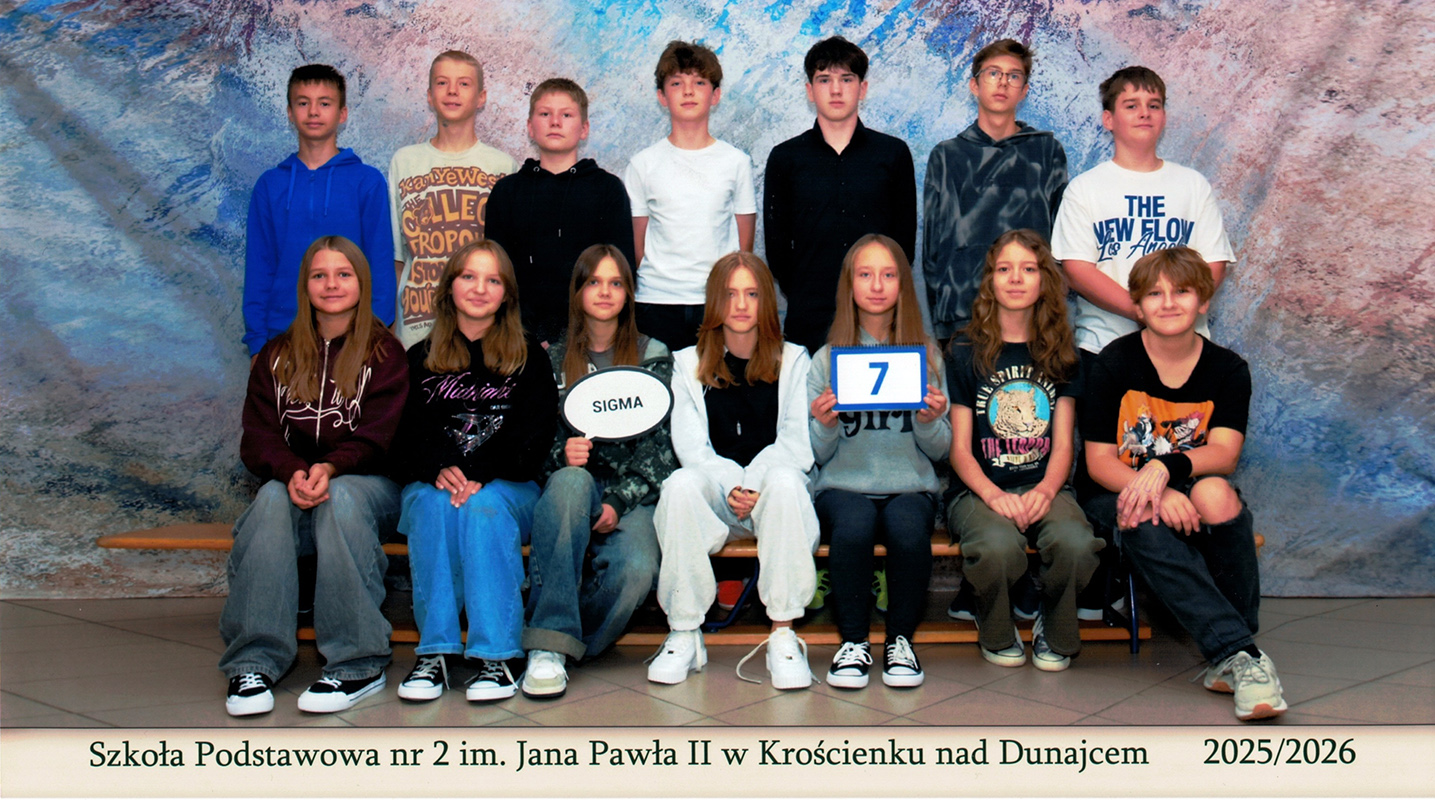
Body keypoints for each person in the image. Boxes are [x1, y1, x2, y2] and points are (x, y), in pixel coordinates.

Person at [1080, 246, 1283, 720]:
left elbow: (1224, 454)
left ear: (1204, 301)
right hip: (1117, 488)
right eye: (1154, 294)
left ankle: (1233, 651)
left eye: (1182, 292)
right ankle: (1240, 653)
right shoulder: (1114, 363)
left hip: (1184, 482)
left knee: (1216, 493)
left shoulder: (1228, 369)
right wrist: (1156, 489)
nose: (1168, 303)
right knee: (1142, 513)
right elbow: (1098, 462)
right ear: (1137, 305)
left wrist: (1166, 471)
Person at [221, 236, 407, 716]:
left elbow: (381, 437)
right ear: (304, 285)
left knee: (341, 497)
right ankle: (254, 662)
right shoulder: (276, 355)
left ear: (362, 283)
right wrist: (292, 472)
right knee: (268, 498)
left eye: (343, 274)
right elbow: (257, 439)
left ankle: (357, 662)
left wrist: (329, 467)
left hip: (371, 491)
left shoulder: (386, 354)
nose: (331, 284)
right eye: (319, 275)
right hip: (296, 486)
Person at [391, 240, 558, 703]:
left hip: (510, 486)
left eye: (492, 280)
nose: (480, 288)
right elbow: (405, 438)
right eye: (468, 276)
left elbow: (535, 437)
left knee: (483, 508)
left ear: (507, 294)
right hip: (436, 483)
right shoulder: (419, 357)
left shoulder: (529, 357)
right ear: (449, 287)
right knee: (432, 507)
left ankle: (497, 656)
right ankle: (436, 652)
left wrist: (479, 471)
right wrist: (437, 467)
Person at [648, 252, 818, 689]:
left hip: (774, 499)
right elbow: (691, 447)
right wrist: (732, 484)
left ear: (767, 302)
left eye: (752, 294)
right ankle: (684, 632)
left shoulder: (794, 359)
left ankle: (783, 634)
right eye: (730, 294)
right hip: (716, 500)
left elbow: (796, 443)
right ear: (713, 302)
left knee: (785, 480)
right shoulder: (686, 363)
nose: (741, 305)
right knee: (679, 485)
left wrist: (753, 482)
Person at [520, 245, 678, 698]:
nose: (605, 292)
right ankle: (548, 645)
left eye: (615, 283)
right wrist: (561, 455)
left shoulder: (653, 354)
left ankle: (559, 644)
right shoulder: (551, 358)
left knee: (637, 570)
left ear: (628, 293)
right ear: (577, 291)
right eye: (593, 282)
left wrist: (618, 501)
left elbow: (663, 447)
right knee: (571, 481)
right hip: (570, 490)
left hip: (632, 496)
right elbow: (535, 439)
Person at [947, 230, 1102, 672]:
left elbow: (1064, 443)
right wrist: (993, 495)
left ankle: (1055, 625)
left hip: (1044, 483)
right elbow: (960, 449)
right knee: (996, 546)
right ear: (990, 281)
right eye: (1004, 269)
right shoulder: (964, 349)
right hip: (979, 489)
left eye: (1028, 269)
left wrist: (1047, 491)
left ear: (1044, 280)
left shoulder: (1063, 352)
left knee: (1076, 543)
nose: (1015, 278)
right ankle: (994, 624)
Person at [807, 235, 948, 689]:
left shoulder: (927, 355)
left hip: (910, 485)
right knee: (853, 526)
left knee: (908, 530)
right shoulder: (826, 359)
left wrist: (929, 421)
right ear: (849, 285)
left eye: (888, 275)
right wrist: (825, 424)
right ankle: (853, 642)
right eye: (865, 275)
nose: (877, 285)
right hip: (843, 486)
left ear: (904, 284)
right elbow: (816, 455)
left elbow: (942, 450)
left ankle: (900, 641)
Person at [1051, 66, 1234, 360]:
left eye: (1154, 105)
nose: (1144, 113)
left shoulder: (1193, 185)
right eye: (1131, 106)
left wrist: (1173, 314)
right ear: (1108, 119)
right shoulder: (1084, 189)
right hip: (1105, 347)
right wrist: (1142, 310)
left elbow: (1214, 262)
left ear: (1164, 117)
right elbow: (1077, 270)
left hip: (1184, 348)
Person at [763, 36, 916, 354]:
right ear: (809, 90)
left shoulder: (893, 154)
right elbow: (777, 249)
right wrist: (806, 290)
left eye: (847, 79)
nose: (836, 90)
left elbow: (903, 246)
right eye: (824, 80)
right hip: (809, 316)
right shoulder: (785, 158)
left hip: (878, 318)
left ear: (863, 88)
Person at [244, 65, 395, 358]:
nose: (313, 112)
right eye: (303, 103)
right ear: (290, 112)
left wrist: (372, 334)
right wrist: (258, 345)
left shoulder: (367, 181)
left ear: (342, 114)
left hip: (353, 340)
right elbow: (259, 269)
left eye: (324, 103)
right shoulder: (270, 185)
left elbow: (379, 264)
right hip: (282, 337)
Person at [922, 39, 1067, 343]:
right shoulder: (947, 155)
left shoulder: (1046, 152)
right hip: (962, 315)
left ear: (1024, 90)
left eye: (1013, 76)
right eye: (992, 73)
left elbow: (1061, 240)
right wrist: (942, 317)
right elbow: (933, 249)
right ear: (974, 85)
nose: (1002, 82)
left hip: (1032, 318)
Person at [624, 41, 757, 351]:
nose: (688, 91)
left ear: (715, 95)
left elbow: (744, 245)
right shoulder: (643, 164)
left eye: (699, 82)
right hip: (656, 302)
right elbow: (637, 246)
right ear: (661, 96)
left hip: (717, 300)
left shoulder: (736, 162)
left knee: (717, 379)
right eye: (676, 83)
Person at [485, 79, 637, 346]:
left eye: (566, 115)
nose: (555, 122)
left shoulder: (607, 190)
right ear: (530, 127)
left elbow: (621, 273)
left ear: (584, 129)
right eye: (545, 114)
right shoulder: (507, 192)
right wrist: (528, 334)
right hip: (519, 338)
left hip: (590, 337)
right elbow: (496, 273)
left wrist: (569, 335)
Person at [390, 51, 518, 349]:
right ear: (429, 95)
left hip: (482, 330)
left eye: (464, 83)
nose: (452, 91)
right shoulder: (404, 161)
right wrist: (393, 326)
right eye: (442, 83)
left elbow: (508, 262)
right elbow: (398, 257)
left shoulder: (503, 166)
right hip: (417, 326)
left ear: (481, 97)